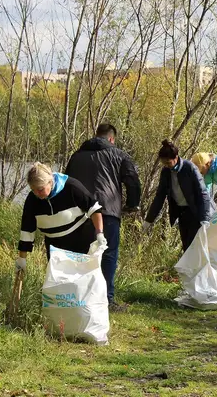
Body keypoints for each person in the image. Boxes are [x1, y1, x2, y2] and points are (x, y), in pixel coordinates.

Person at [66, 123, 141, 308]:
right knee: (108, 254)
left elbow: (66, 182)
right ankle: (106, 300)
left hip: (79, 214)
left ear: (96, 135)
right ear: (111, 139)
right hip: (108, 212)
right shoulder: (119, 154)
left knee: (82, 256)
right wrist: (132, 204)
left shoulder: (76, 156)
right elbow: (133, 181)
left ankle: (82, 299)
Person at [16, 162, 106, 272]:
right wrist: (22, 258)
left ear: (50, 181)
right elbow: (27, 230)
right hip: (55, 247)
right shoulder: (32, 200)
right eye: (33, 189)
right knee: (59, 286)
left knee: (80, 283)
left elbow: (94, 209)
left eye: (40, 189)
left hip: (81, 241)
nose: (37, 193)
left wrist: (99, 233)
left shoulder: (71, 187)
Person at [144, 140, 214, 252]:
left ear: (176, 157)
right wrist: (149, 219)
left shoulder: (190, 168)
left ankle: (196, 268)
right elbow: (159, 197)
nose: (166, 165)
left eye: (168, 162)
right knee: (186, 243)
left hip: (196, 210)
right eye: (164, 163)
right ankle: (188, 269)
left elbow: (203, 193)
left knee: (193, 244)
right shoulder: (166, 171)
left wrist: (205, 218)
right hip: (181, 211)